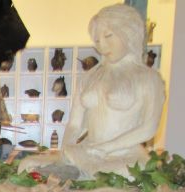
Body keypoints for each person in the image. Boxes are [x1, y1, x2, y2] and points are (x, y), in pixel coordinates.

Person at [20, 4, 165, 179]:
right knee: (27, 165)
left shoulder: (149, 78)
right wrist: (64, 153)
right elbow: (75, 124)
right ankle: (75, 172)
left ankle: (80, 174)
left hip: (125, 155)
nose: (102, 46)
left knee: (120, 174)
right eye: (97, 40)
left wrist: (104, 149)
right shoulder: (90, 77)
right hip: (87, 152)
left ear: (129, 33)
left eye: (108, 36)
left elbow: (148, 128)